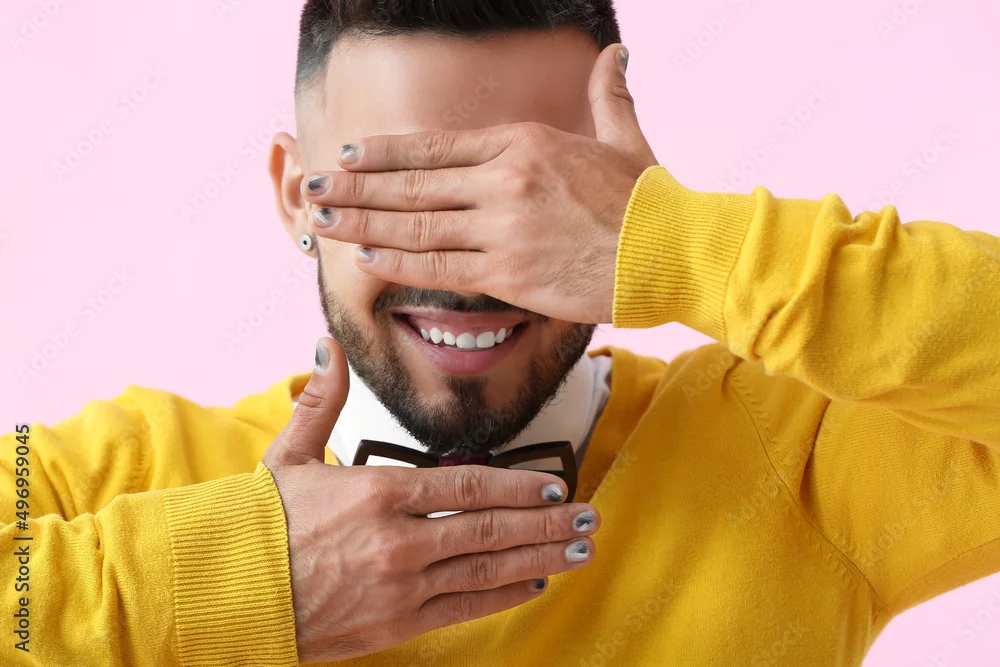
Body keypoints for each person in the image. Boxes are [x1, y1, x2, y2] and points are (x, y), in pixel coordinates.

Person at [3, 0, 999, 665]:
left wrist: (681, 246)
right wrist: (240, 582)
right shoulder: (119, 474)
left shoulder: (788, 460)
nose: (463, 275)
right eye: (400, 197)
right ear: (296, 196)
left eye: (526, 200)